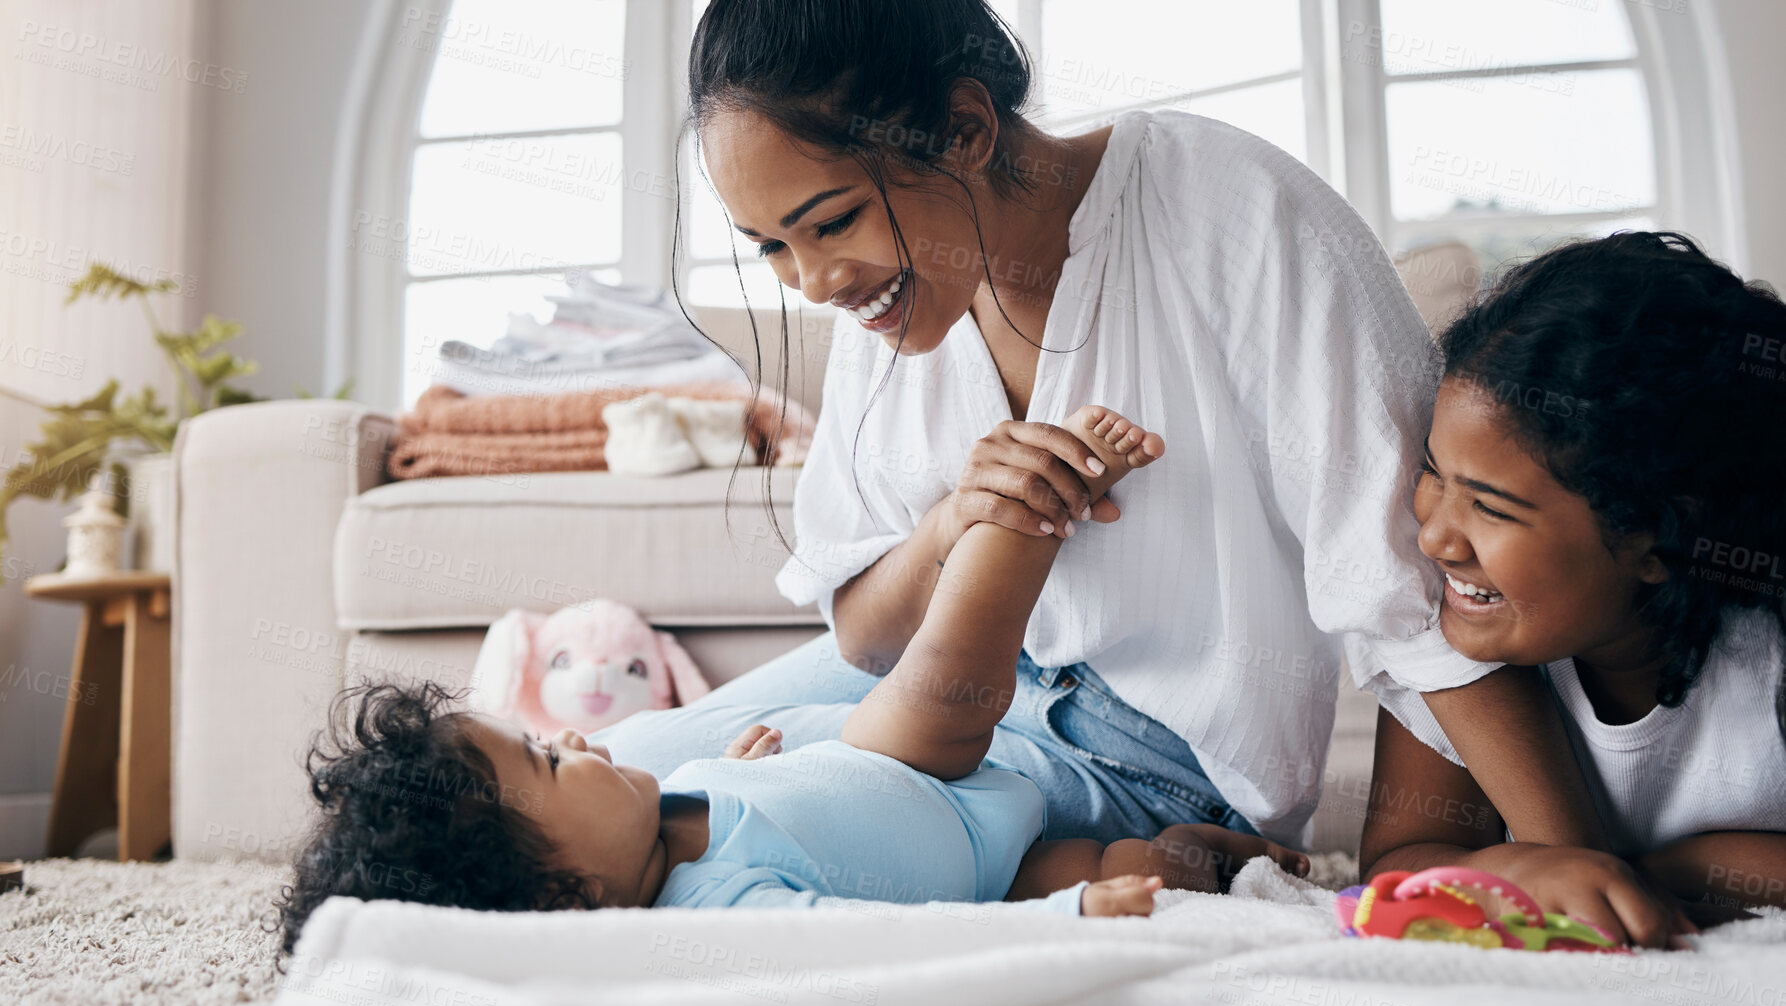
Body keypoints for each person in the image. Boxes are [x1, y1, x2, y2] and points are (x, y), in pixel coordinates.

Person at [600, 0, 1603, 857]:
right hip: (952, 685)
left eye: (831, 223)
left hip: (1152, 758)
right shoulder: (894, 299)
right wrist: (955, 524)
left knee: (709, 826)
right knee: (626, 773)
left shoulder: (1234, 214)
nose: (815, 284)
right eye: (770, 246)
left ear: (962, 129)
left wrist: (1564, 858)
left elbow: (1415, 590)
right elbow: (863, 636)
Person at [276, 406, 1309, 954]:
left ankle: (1006, 511)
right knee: (1134, 868)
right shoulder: (720, 918)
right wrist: (1059, 924)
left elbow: (754, 813)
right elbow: (881, 950)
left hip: (876, 766)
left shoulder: (654, 819)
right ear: (571, 895)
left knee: (955, 674)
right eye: (547, 762)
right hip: (938, 794)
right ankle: (1022, 510)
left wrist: (739, 768)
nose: (577, 738)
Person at [1355, 232, 1786, 948]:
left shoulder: (1765, 658)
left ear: (1652, 536)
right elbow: (1398, 860)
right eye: (1436, 474)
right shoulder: (1449, 651)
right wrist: (1512, 874)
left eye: (1490, 507)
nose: (1435, 538)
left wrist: (1664, 869)